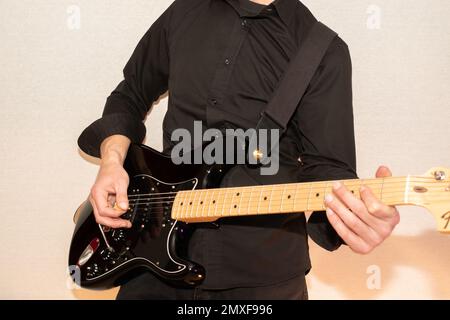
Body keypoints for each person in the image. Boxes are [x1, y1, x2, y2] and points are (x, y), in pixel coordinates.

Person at [78, 0, 400, 300]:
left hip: (263, 280)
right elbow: (131, 93)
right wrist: (112, 160)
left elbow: (329, 170)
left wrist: (356, 220)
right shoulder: (186, 10)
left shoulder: (323, 50)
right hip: (150, 266)